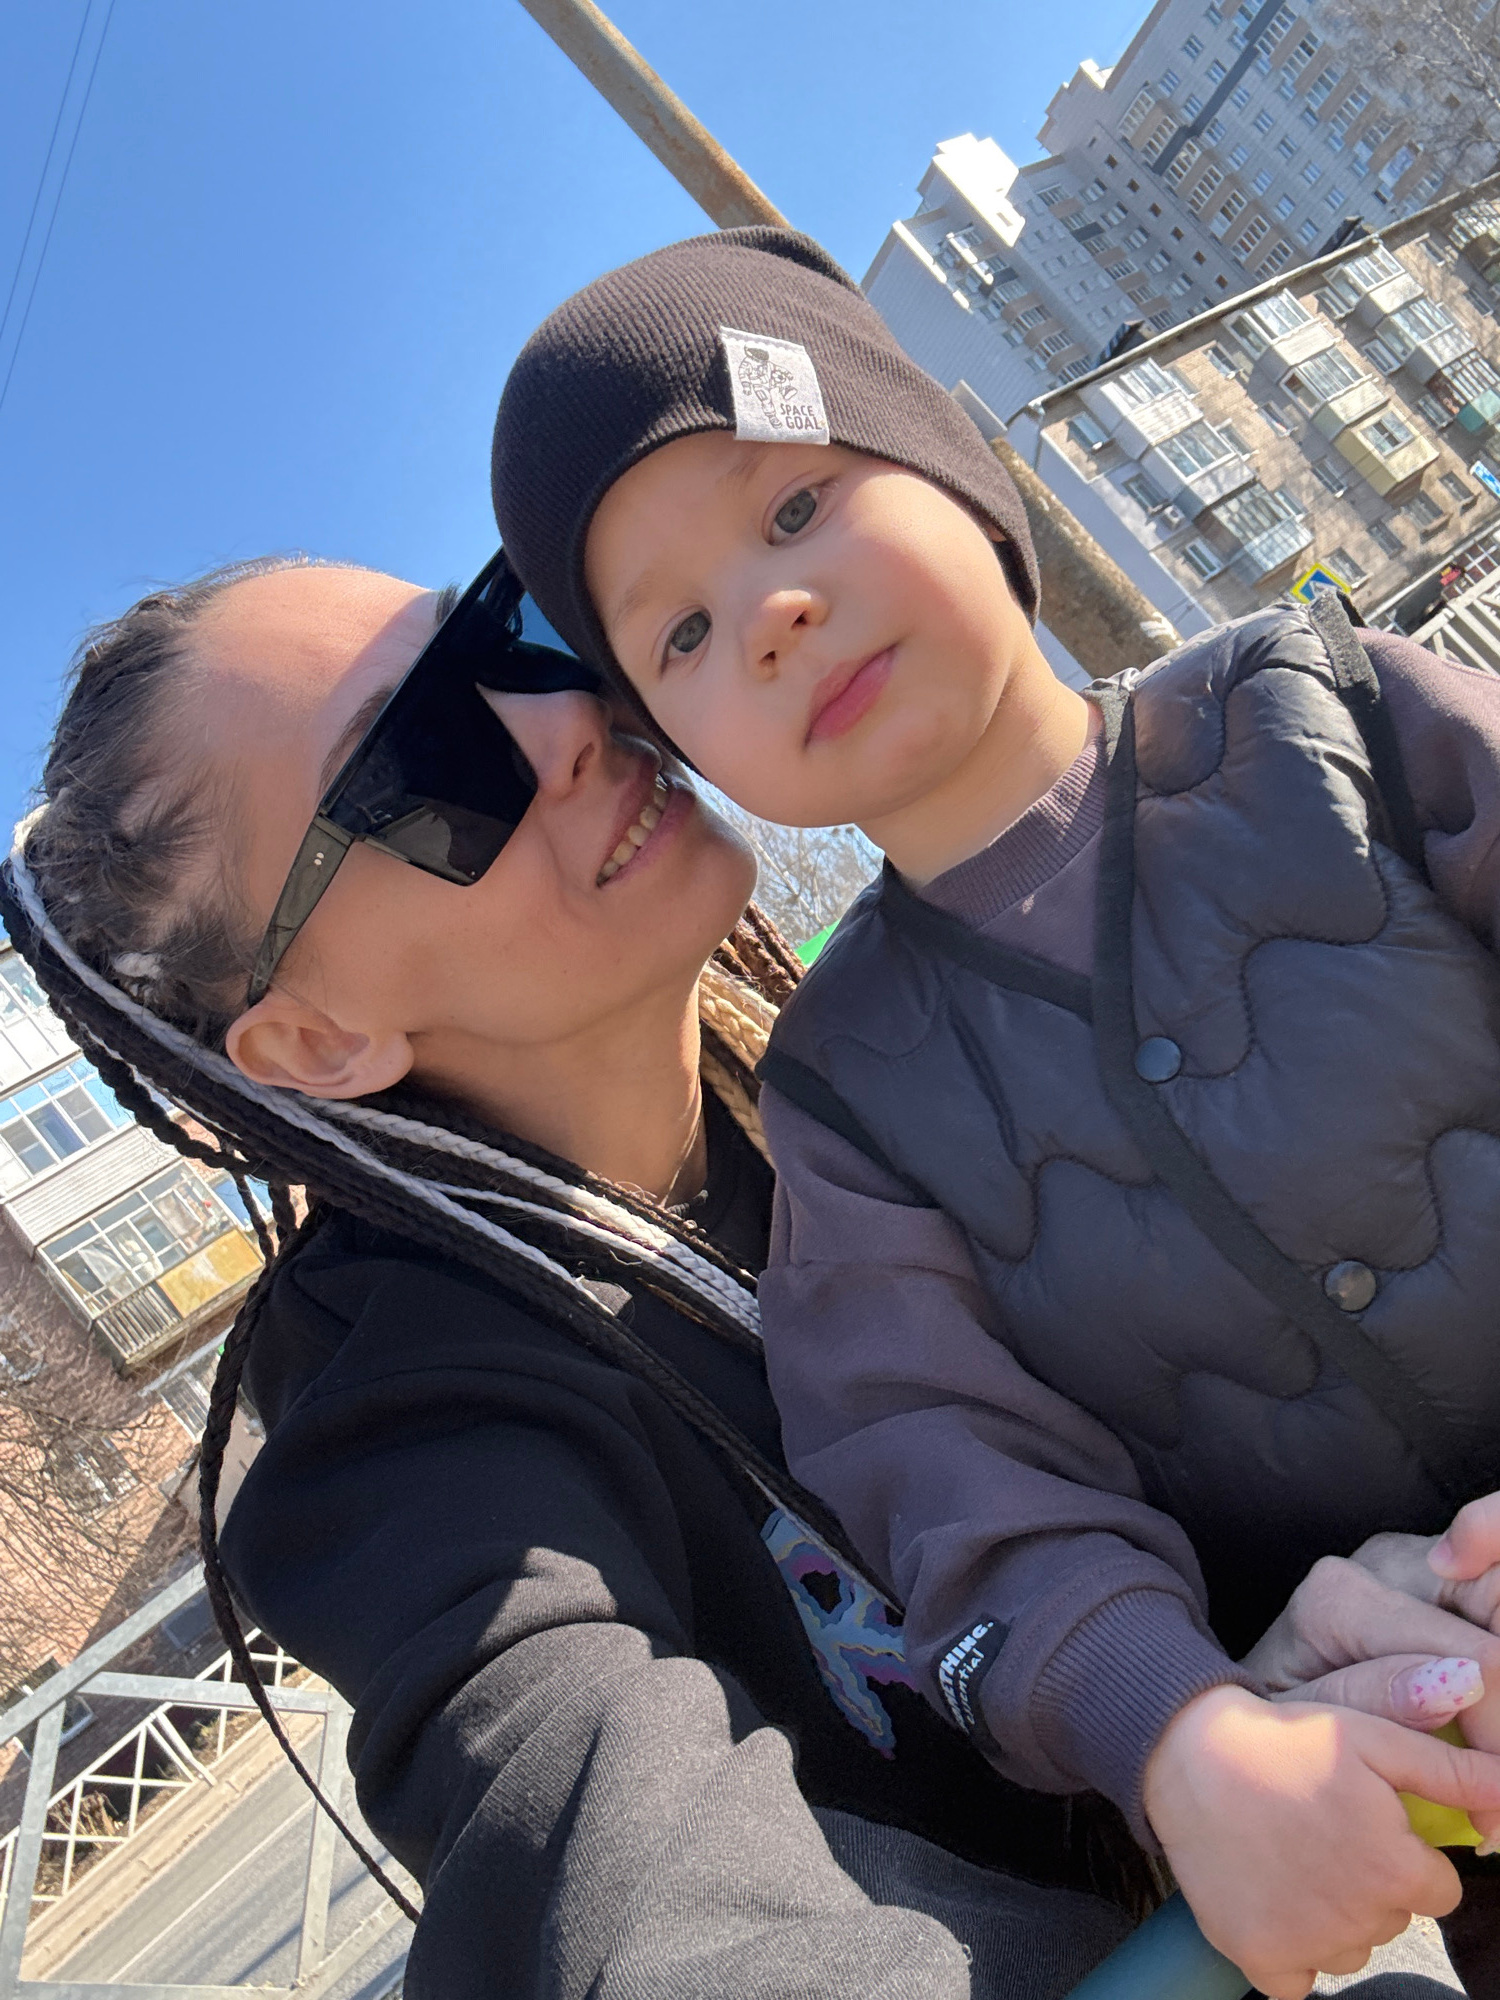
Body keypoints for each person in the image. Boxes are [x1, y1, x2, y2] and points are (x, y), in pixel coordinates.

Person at [8, 548, 1497, 2000]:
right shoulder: (408, 1442)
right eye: (425, 757)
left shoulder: (878, 1100)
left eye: (507, 633)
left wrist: (1254, 1679)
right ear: (318, 1039)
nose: (564, 718)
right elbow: (618, 1882)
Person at [488, 224, 1500, 1997]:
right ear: (679, 739)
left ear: (951, 454)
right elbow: (955, 1488)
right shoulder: (844, 1095)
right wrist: (1177, 1730)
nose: (773, 615)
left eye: (795, 507)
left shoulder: (1327, 715)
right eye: (685, 632)